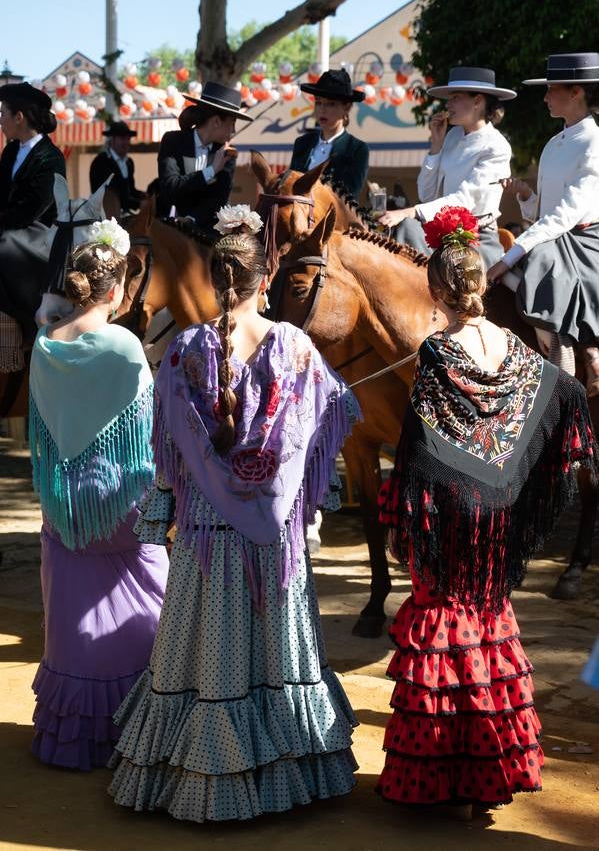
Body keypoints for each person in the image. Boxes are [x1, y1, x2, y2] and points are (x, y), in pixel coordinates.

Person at [108, 205, 360, 823]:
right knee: (278, 656)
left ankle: (202, 775)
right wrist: (315, 498)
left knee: (205, 657)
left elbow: (165, 445)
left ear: (220, 279)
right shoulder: (295, 347)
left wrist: (157, 516)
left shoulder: (185, 349)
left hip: (205, 538)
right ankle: (283, 772)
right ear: (264, 280)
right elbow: (330, 422)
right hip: (275, 546)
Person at [376, 206, 597, 817]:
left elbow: (419, 444)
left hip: (448, 513)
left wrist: (403, 512)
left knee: (443, 626)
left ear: (437, 290)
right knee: (489, 619)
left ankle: (443, 780)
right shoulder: (515, 348)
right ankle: (490, 772)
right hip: (497, 515)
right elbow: (568, 392)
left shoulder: (438, 352)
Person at [28, 219, 169, 770]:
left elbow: (44, 426)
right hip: (120, 507)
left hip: (63, 504)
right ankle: (137, 720)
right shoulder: (126, 346)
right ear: (118, 290)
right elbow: (149, 432)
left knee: (67, 608)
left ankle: (74, 731)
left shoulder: (44, 344)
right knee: (155, 599)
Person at [486, 52, 599, 396]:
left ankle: (583, 355)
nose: (546, 96)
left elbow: (569, 212)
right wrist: (526, 199)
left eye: (552, 89)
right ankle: (565, 348)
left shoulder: (595, 141)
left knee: (534, 260)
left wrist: (508, 257)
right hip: (556, 238)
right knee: (525, 262)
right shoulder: (554, 143)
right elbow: (549, 212)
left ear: (576, 92)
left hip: (586, 241)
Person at [379, 67, 515, 270]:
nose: (448, 104)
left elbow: (464, 200)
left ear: (477, 101)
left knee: (408, 225)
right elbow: (427, 195)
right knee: (403, 232)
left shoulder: (497, 145)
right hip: (439, 233)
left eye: (455, 98)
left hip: (476, 241)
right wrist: (435, 146)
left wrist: (409, 212)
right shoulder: (451, 136)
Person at [0, 82, 66, 364]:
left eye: (3, 113)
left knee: (2, 244)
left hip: (40, 237)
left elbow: (30, 211)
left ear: (19, 117)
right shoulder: (10, 151)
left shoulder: (51, 158)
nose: (0, 120)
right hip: (9, 230)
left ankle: (27, 324)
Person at [157, 82, 251, 229]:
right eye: (232, 123)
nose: (233, 131)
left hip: (206, 231)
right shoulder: (172, 141)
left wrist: (191, 220)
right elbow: (170, 187)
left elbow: (219, 199)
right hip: (167, 228)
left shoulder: (228, 154)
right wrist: (211, 170)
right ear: (216, 121)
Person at [291, 69, 369, 201]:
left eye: (331, 104)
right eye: (318, 102)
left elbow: (349, 194)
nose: (322, 109)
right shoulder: (302, 143)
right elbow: (291, 183)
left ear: (347, 107)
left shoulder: (357, 149)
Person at [89, 121, 145, 215]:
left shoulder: (129, 162)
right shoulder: (101, 161)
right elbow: (109, 195)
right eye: (123, 138)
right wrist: (138, 204)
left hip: (124, 214)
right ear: (112, 140)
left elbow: (130, 190)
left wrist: (143, 195)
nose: (126, 142)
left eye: (128, 139)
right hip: (104, 215)